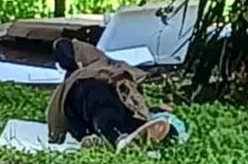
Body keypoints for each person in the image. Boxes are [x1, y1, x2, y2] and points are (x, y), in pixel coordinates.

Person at [46, 38, 188, 150]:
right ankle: (118, 138)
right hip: (104, 111)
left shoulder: (66, 91)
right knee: (104, 106)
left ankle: (105, 140)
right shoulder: (88, 81)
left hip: (94, 121)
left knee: (114, 116)